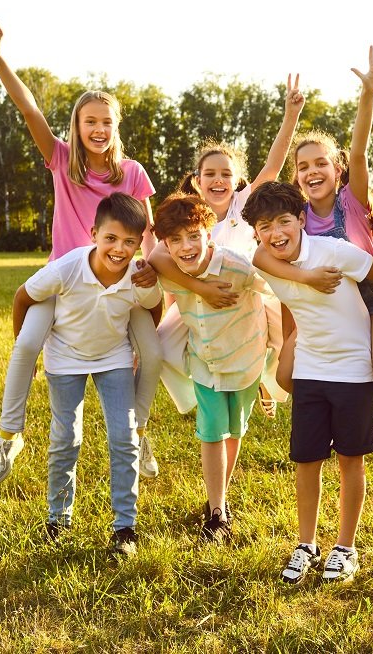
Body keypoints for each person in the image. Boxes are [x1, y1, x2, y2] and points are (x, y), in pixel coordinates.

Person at [0, 21, 163, 487]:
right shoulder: (61, 160)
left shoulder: (133, 172)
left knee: (151, 354)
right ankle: (9, 435)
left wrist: (148, 272)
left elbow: (150, 233)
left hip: (121, 284)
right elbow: (28, 107)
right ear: (77, 128)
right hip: (64, 283)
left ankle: (139, 432)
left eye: (106, 122)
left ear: (116, 127)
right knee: (24, 347)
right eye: (90, 121)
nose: (98, 129)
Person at [242, 181, 373, 585]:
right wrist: (308, 279)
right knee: (306, 461)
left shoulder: (333, 251)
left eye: (283, 221)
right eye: (265, 226)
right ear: (256, 232)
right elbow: (262, 257)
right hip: (310, 369)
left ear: (300, 220)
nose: (276, 233)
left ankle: (345, 548)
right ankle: (306, 544)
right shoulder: (264, 257)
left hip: (353, 371)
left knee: (351, 460)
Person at [252, 47, 373, 460]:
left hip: (369, 298)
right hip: (319, 307)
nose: (312, 171)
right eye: (303, 166)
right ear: (296, 176)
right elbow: (265, 259)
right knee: (284, 377)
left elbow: (359, 150)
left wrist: (368, 95)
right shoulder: (294, 217)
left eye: (321, 163)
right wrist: (290, 326)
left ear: (337, 168)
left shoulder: (351, 200)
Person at [150, 75, 309, 420]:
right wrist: (197, 287)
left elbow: (274, 164)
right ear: (197, 181)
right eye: (210, 174)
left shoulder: (243, 205)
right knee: (161, 345)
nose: (218, 180)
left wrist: (291, 115)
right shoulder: (187, 216)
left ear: (236, 180)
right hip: (199, 298)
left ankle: (264, 380)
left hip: (247, 293)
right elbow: (158, 256)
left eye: (226, 174)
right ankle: (201, 391)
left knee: (286, 341)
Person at [13, 193, 160, 553]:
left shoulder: (139, 276)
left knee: (123, 438)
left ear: (139, 243)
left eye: (129, 242)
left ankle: (125, 527)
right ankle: (57, 519)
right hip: (64, 358)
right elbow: (22, 296)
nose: (119, 249)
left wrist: (141, 348)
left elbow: (152, 312)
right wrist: (25, 353)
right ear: (94, 233)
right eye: (110, 238)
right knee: (66, 438)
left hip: (114, 358)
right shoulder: (67, 267)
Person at [152, 194, 271, 541]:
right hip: (204, 362)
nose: (186, 246)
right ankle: (218, 513)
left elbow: (274, 291)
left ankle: (218, 497)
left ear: (209, 234)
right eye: (175, 240)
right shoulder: (170, 271)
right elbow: (156, 258)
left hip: (246, 359)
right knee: (211, 432)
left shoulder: (237, 266)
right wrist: (198, 287)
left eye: (193, 236)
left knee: (234, 431)